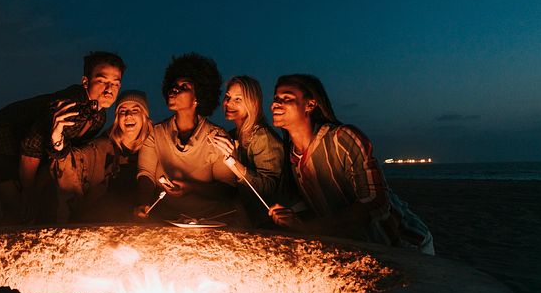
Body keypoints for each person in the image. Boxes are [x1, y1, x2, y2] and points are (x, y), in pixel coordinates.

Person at [267, 74, 434, 253]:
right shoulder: (291, 156)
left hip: (402, 244)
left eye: (287, 98)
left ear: (310, 104)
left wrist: (312, 228)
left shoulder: (342, 138)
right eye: (276, 98)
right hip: (357, 248)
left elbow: (376, 202)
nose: (275, 104)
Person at [0, 51, 125, 223]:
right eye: (102, 81)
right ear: (85, 82)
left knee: (47, 210)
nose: (109, 89)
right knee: (18, 208)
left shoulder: (98, 117)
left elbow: (57, 154)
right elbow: (31, 146)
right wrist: (29, 192)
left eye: (115, 84)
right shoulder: (69, 104)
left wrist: (38, 188)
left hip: (27, 153)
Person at [135, 53, 238, 223]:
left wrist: (192, 188)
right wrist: (143, 203)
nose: (174, 89)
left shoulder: (217, 137)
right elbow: (145, 173)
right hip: (165, 219)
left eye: (184, 87)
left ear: (197, 98)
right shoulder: (156, 133)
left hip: (209, 221)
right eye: (174, 85)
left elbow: (227, 189)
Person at [50, 90, 152, 222]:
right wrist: (57, 139)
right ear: (117, 118)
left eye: (135, 110)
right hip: (104, 218)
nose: (128, 115)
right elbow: (74, 160)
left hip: (146, 221)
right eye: (122, 111)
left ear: (144, 116)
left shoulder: (155, 146)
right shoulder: (102, 146)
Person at [208, 76, 284, 226]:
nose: (228, 103)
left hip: (269, 222)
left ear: (253, 103)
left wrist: (232, 162)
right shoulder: (233, 135)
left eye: (238, 99)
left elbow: (268, 189)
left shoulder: (263, 137)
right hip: (244, 218)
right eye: (228, 97)